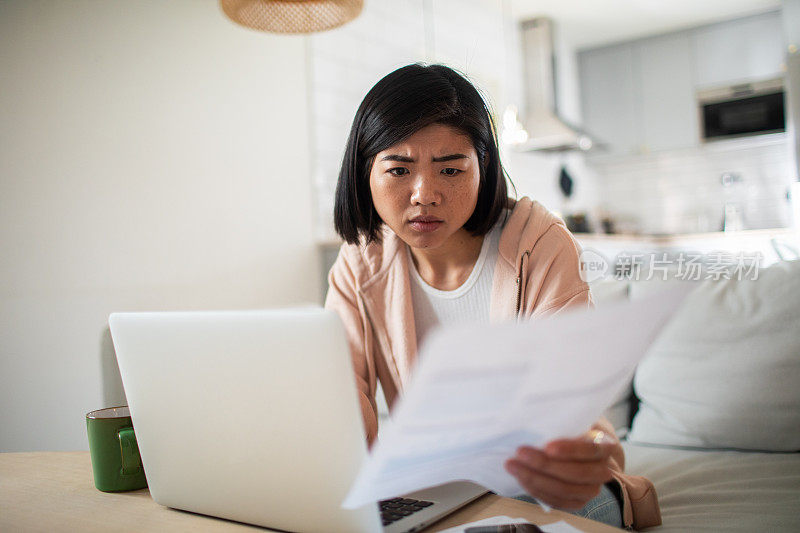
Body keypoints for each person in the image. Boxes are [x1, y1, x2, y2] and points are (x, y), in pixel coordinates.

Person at [324, 63, 661, 530]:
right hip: (434, 479)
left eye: (451, 169)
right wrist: (340, 413)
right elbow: (342, 389)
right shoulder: (362, 262)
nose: (425, 194)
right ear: (365, 174)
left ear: (484, 167)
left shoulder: (539, 245)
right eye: (399, 169)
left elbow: (567, 402)